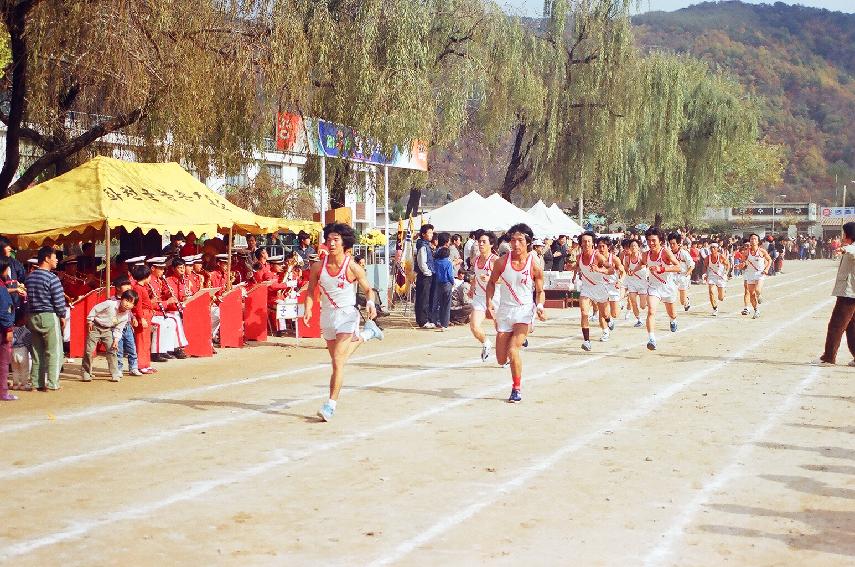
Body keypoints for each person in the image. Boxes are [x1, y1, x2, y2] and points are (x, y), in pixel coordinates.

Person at [304, 223, 384, 421]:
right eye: (329, 239)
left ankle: (330, 405)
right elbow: (310, 290)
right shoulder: (317, 267)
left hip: (347, 315)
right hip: (327, 316)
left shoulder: (352, 267)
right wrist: (307, 307)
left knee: (338, 361)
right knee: (338, 360)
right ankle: (368, 334)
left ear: (343, 243)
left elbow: (368, 290)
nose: (331, 244)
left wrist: (371, 303)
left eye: (335, 240)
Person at [485, 223, 546, 403]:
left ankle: (516, 389)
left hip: (525, 311)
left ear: (528, 242)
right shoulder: (501, 262)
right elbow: (491, 283)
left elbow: (540, 291)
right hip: (505, 311)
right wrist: (489, 302)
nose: (516, 244)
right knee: (501, 359)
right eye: (513, 240)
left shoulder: (534, 265)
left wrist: (540, 307)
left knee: (513, 350)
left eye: (520, 240)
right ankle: (518, 343)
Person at [25, 246, 67, 391]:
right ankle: (53, 383)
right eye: (54, 257)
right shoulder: (52, 278)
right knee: (54, 351)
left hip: (32, 316)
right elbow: (59, 301)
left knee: (37, 351)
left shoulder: (29, 278)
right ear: (47, 259)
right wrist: (62, 316)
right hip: (49, 316)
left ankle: (36, 383)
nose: (56, 260)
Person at [817, 222, 855, 365]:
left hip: (849, 293)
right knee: (851, 326)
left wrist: (844, 249)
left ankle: (829, 357)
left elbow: (852, 250)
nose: (843, 236)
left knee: (836, 325)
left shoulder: (851, 248)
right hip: (849, 292)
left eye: (845, 234)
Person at [81, 290, 139, 383]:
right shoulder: (110, 304)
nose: (128, 304)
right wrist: (90, 320)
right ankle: (86, 373)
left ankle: (115, 373)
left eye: (131, 303)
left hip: (108, 330)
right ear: (122, 299)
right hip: (95, 327)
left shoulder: (125, 316)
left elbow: (118, 329)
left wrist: (116, 340)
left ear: (133, 306)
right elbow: (96, 308)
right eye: (126, 300)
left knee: (112, 351)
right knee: (89, 351)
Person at [639, 228, 681, 351]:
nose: (651, 243)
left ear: (660, 241)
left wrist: (662, 269)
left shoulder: (666, 252)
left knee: (672, 313)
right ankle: (651, 339)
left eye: (654, 240)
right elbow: (641, 263)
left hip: (667, 287)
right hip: (653, 287)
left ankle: (673, 320)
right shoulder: (646, 254)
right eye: (649, 241)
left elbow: (678, 267)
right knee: (651, 311)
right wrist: (633, 270)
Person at [575, 232, 613, 350]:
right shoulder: (579, 257)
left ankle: (609, 320)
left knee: (604, 314)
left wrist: (599, 270)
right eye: (584, 241)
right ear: (581, 243)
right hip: (586, 288)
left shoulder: (598, 256)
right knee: (584, 313)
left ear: (592, 243)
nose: (586, 243)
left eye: (589, 241)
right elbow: (577, 266)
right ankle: (587, 341)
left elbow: (611, 270)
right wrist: (571, 268)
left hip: (599, 287)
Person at [468, 231, 499, 361]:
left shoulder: (495, 260)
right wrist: (472, 286)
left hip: (495, 297)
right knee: (474, 326)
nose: (480, 244)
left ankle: (508, 354)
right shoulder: (475, 260)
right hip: (479, 297)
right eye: (479, 241)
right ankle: (486, 343)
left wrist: (491, 278)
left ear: (491, 244)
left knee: (501, 329)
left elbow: (506, 279)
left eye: (483, 242)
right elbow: (475, 275)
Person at [112, 277, 142, 376]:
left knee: (132, 348)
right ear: (117, 288)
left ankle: (133, 367)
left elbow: (130, 312)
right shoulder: (112, 300)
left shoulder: (129, 299)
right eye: (126, 285)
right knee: (119, 350)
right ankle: (119, 369)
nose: (129, 287)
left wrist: (133, 318)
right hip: (117, 328)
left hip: (128, 327)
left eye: (129, 285)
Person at [739, 233, 772, 319]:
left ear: (758, 241)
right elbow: (743, 264)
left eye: (755, 239)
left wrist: (767, 269)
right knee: (751, 294)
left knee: (757, 290)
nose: (753, 240)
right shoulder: (746, 252)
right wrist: (741, 265)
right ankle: (756, 310)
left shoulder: (762, 251)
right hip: (750, 274)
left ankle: (759, 295)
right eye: (751, 239)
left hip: (759, 274)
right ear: (749, 241)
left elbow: (769, 260)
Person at [0, 258, 17, 400]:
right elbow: (4, 310)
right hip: (2, 329)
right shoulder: (1, 288)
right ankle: (3, 392)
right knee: (3, 362)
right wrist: (8, 329)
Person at [621, 238, 648, 328]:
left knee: (643, 306)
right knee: (633, 301)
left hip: (642, 281)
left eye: (635, 246)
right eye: (631, 246)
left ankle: (648, 298)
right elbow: (625, 267)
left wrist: (634, 270)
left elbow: (643, 264)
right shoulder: (627, 257)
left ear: (638, 247)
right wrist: (628, 270)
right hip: (632, 281)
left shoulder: (641, 256)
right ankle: (639, 319)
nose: (633, 247)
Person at [432, 233, 455, 331]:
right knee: (446, 305)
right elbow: (450, 275)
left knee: (438, 303)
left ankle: (436, 320)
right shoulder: (448, 263)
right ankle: (444, 324)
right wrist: (453, 282)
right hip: (447, 284)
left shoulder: (436, 262)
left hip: (437, 284)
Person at [414, 223, 436, 329]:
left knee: (423, 297)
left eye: (432, 232)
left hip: (426, 274)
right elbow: (422, 262)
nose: (431, 235)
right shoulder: (423, 246)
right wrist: (428, 272)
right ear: (423, 234)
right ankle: (423, 321)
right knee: (423, 298)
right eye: (429, 233)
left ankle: (422, 319)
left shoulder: (425, 244)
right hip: (425, 275)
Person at [668, 233, 696, 312]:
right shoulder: (668, 253)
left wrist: (687, 274)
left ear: (678, 243)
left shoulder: (684, 253)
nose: (672, 246)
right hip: (672, 276)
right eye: (670, 244)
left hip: (683, 276)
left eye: (674, 244)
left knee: (682, 301)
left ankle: (686, 301)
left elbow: (692, 265)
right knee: (671, 295)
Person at [705, 243, 729, 316]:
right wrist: (705, 274)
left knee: (721, 298)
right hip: (712, 276)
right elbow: (705, 267)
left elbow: (728, 265)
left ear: (717, 249)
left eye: (714, 248)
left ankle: (723, 291)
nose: (712, 249)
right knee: (711, 291)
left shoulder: (721, 256)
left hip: (720, 277)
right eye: (711, 248)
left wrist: (726, 272)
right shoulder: (707, 258)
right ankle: (715, 308)